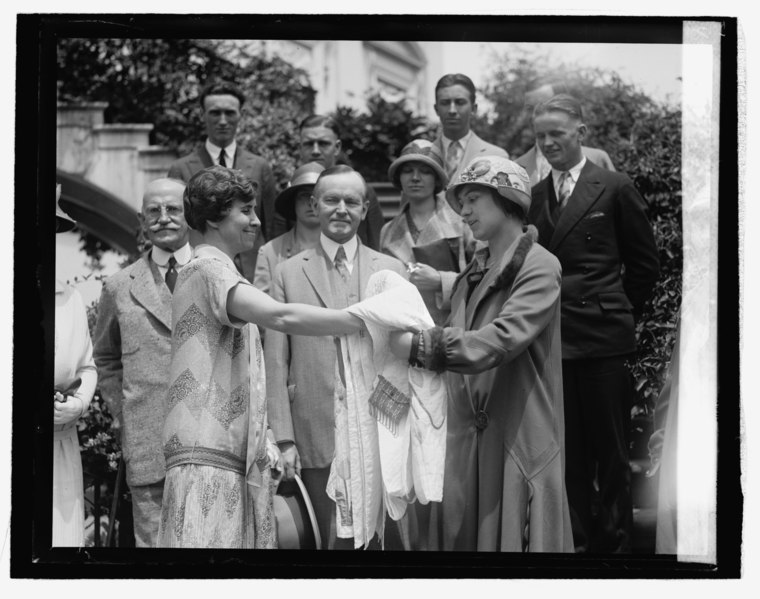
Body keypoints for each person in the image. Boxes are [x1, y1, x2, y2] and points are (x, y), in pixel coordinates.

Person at [157, 166, 364, 549]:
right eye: (245, 211)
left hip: (217, 451)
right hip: (207, 454)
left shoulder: (214, 269)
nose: (255, 221)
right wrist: (363, 319)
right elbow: (280, 315)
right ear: (216, 217)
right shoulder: (209, 268)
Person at [389, 156, 573, 552]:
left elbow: (501, 340)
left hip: (517, 438)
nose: (464, 212)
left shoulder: (540, 265)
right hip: (464, 444)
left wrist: (424, 347)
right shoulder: (473, 272)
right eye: (461, 203)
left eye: (473, 199)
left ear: (508, 199)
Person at [527, 94, 660, 553]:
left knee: (613, 455)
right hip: (555, 342)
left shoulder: (614, 185)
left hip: (603, 342)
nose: (548, 144)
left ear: (580, 132)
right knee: (569, 455)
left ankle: (618, 551)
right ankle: (578, 548)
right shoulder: (535, 195)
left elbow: (644, 265)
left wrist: (617, 312)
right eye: (541, 136)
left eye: (557, 134)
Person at [265, 165, 407, 548]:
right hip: (314, 424)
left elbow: (402, 359)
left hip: (379, 425)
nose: (341, 208)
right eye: (331, 200)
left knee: (384, 538)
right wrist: (283, 438)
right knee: (325, 540)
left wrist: (396, 429)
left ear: (365, 208)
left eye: (351, 201)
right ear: (314, 205)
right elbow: (276, 361)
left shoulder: (391, 270)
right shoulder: (288, 272)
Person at [92, 178, 191, 547]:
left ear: (190, 215)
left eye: (174, 209)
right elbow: (104, 357)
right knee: (155, 553)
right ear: (141, 219)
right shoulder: (119, 285)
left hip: (209, 441)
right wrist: (122, 412)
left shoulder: (216, 275)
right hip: (148, 442)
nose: (164, 218)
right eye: (154, 210)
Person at [167, 81, 277, 281]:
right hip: (202, 274)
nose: (223, 120)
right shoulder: (181, 169)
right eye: (215, 113)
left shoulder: (260, 166)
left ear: (240, 115)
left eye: (230, 113)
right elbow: (178, 230)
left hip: (255, 276)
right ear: (202, 115)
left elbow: (271, 228)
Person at [380, 138, 474, 325]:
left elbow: (484, 276)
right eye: (407, 171)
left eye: (425, 171)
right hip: (405, 332)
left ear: (437, 179)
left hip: (454, 329)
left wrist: (441, 280)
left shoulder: (463, 222)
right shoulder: (387, 231)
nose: (415, 178)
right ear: (399, 178)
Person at [54, 185, 97, 546]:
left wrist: (77, 404)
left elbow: (87, 367)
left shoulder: (69, 297)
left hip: (58, 444)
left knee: (59, 542)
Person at [287, 114, 385, 250]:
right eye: (309, 144)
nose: (315, 151)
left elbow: (375, 244)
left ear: (337, 147)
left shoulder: (363, 191)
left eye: (323, 143)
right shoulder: (291, 192)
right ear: (300, 148)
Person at [253, 161, 324, 296]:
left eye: (318, 196)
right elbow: (260, 309)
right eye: (304, 195)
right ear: (293, 201)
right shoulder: (270, 252)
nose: (311, 202)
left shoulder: (343, 248)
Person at [431, 73, 508, 182]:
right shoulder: (421, 156)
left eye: (460, 102)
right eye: (445, 103)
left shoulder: (496, 157)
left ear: (474, 108)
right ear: (436, 109)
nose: (452, 110)